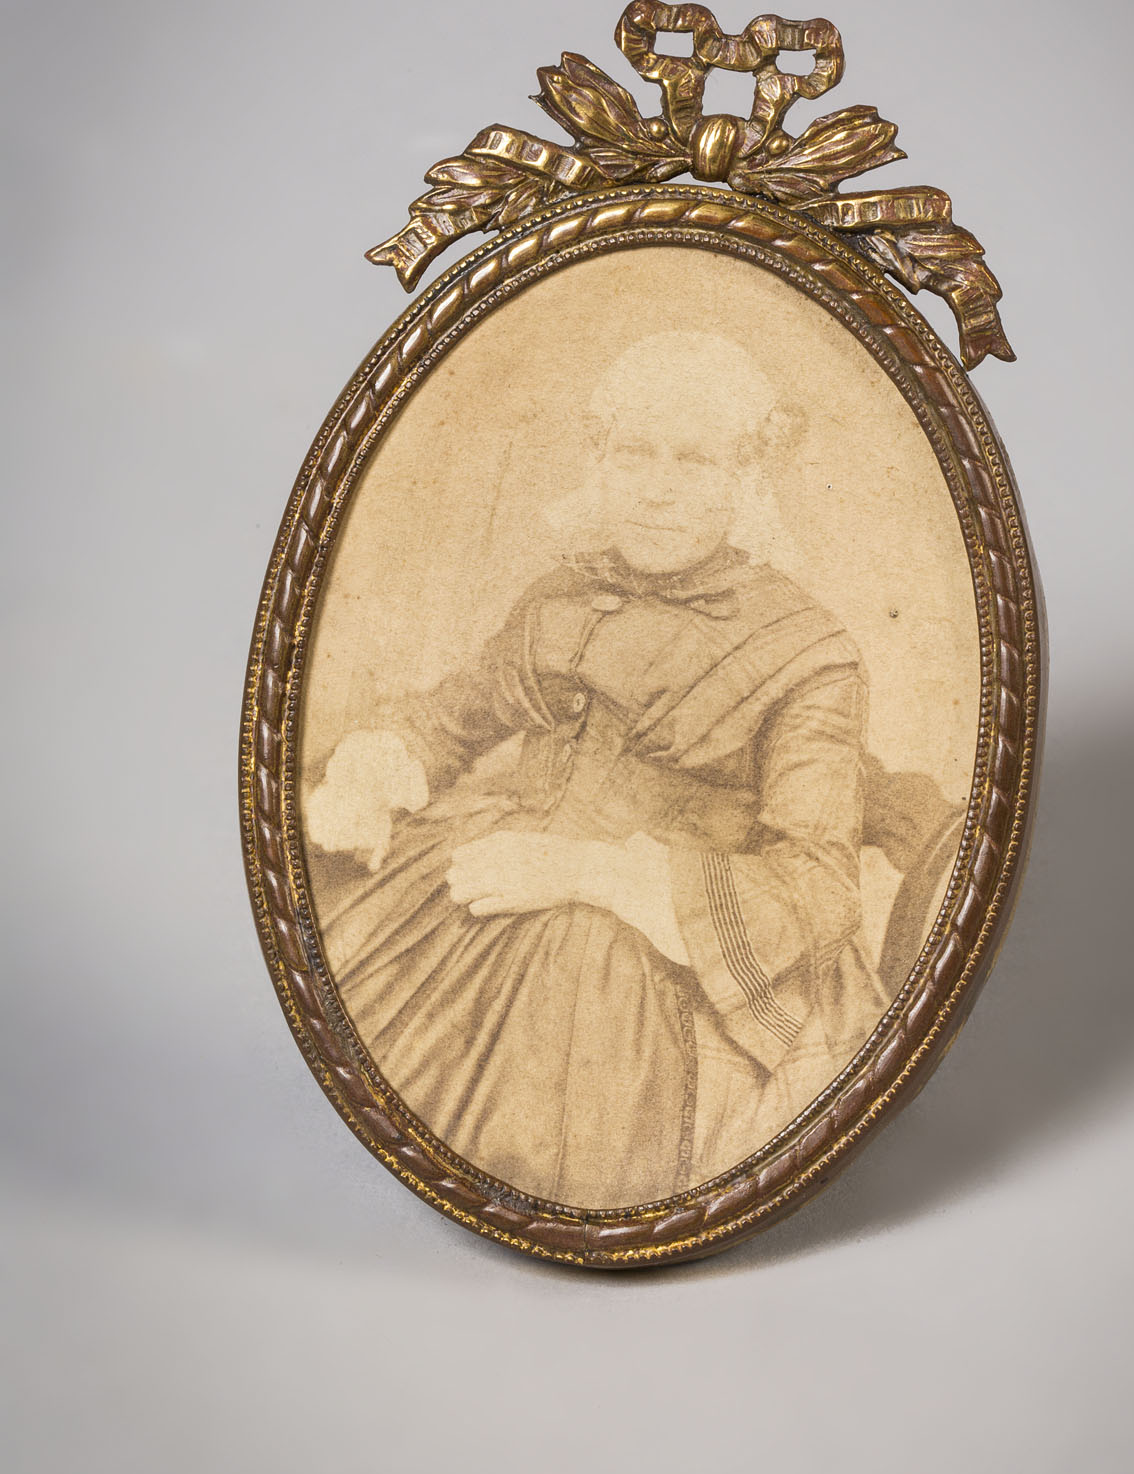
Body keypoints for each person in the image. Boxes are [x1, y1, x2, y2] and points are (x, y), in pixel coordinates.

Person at [305, 331, 889, 1208]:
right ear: (600, 462)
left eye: (693, 460)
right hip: (489, 883)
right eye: (633, 454)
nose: (656, 489)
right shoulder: (561, 595)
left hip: (663, 956)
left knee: (559, 1082)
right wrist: (372, 775)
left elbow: (818, 886)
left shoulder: (808, 654)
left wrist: (591, 874)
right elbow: (451, 717)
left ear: (744, 478)